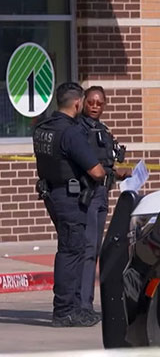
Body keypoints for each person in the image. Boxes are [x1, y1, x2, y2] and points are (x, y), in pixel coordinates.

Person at [32, 82, 106, 327]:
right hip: (69, 198)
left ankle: (72, 308)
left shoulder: (43, 128)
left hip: (51, 193)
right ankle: (64, 310)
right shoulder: (70, 132)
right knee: (71, 251)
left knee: (69, 248)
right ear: (77, 103)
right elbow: (96, 171)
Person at [79, 85, 129, 318]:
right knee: (87, 249)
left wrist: (117, 173)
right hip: (87, 193)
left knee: (95, 249)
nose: (95, 107)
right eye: (91, 102)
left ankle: (86, 302)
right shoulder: (78, 129)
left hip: (102, 192)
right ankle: (83, 305)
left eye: (99, 103)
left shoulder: (103, 130)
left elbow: (105, 163)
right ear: (83, 102)